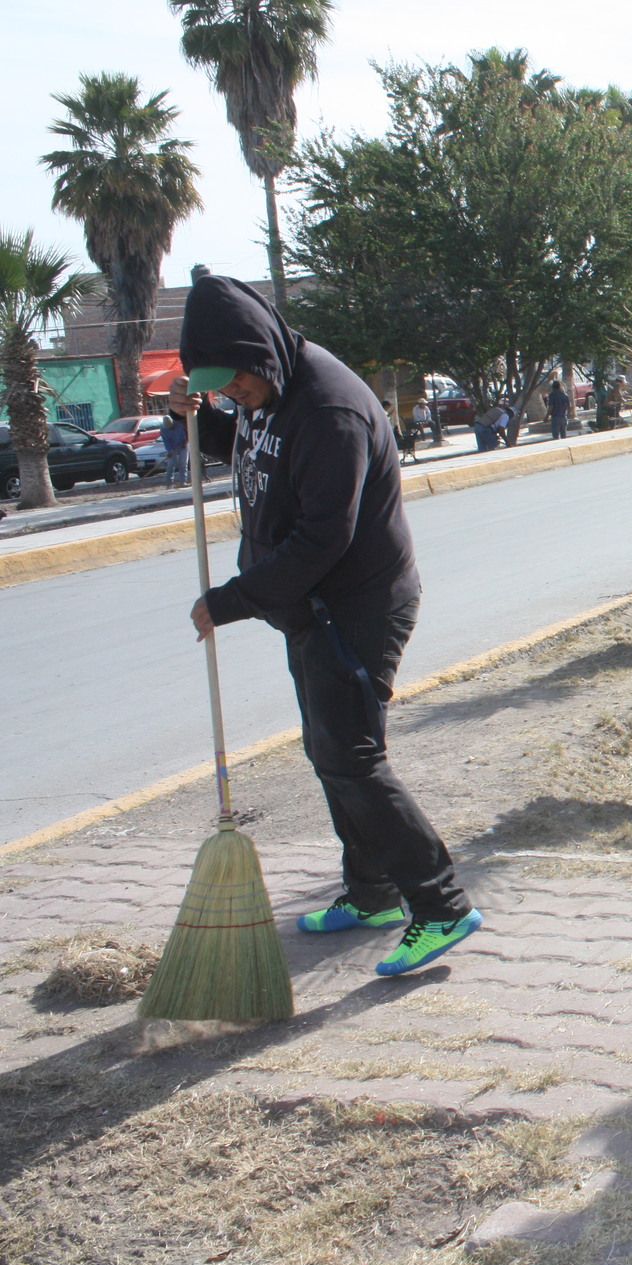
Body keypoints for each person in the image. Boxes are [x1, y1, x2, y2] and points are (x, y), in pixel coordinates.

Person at [165, 275, 482, 977]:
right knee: (329, 750)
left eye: (235, 385)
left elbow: (320, 542)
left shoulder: (330, 410)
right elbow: (250, 452)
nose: (232, 397)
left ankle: (441, 906)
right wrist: (187, 419)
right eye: (220, 389)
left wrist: (231, 599)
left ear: (263, 354)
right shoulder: (265, 389)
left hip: (356, 608)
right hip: (310, 608)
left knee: (352, 754)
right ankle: (371, 896)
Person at [160, 412, 188, 488]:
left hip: (183, 446)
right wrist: (170, 451)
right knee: (170, 465)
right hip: (172, 447)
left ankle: (183, 482)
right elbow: (166, 441)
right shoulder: (163, 430)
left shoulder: (179, 424)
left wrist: (186, 440)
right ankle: (169, 484)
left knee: (183, 464)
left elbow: (187, 432)